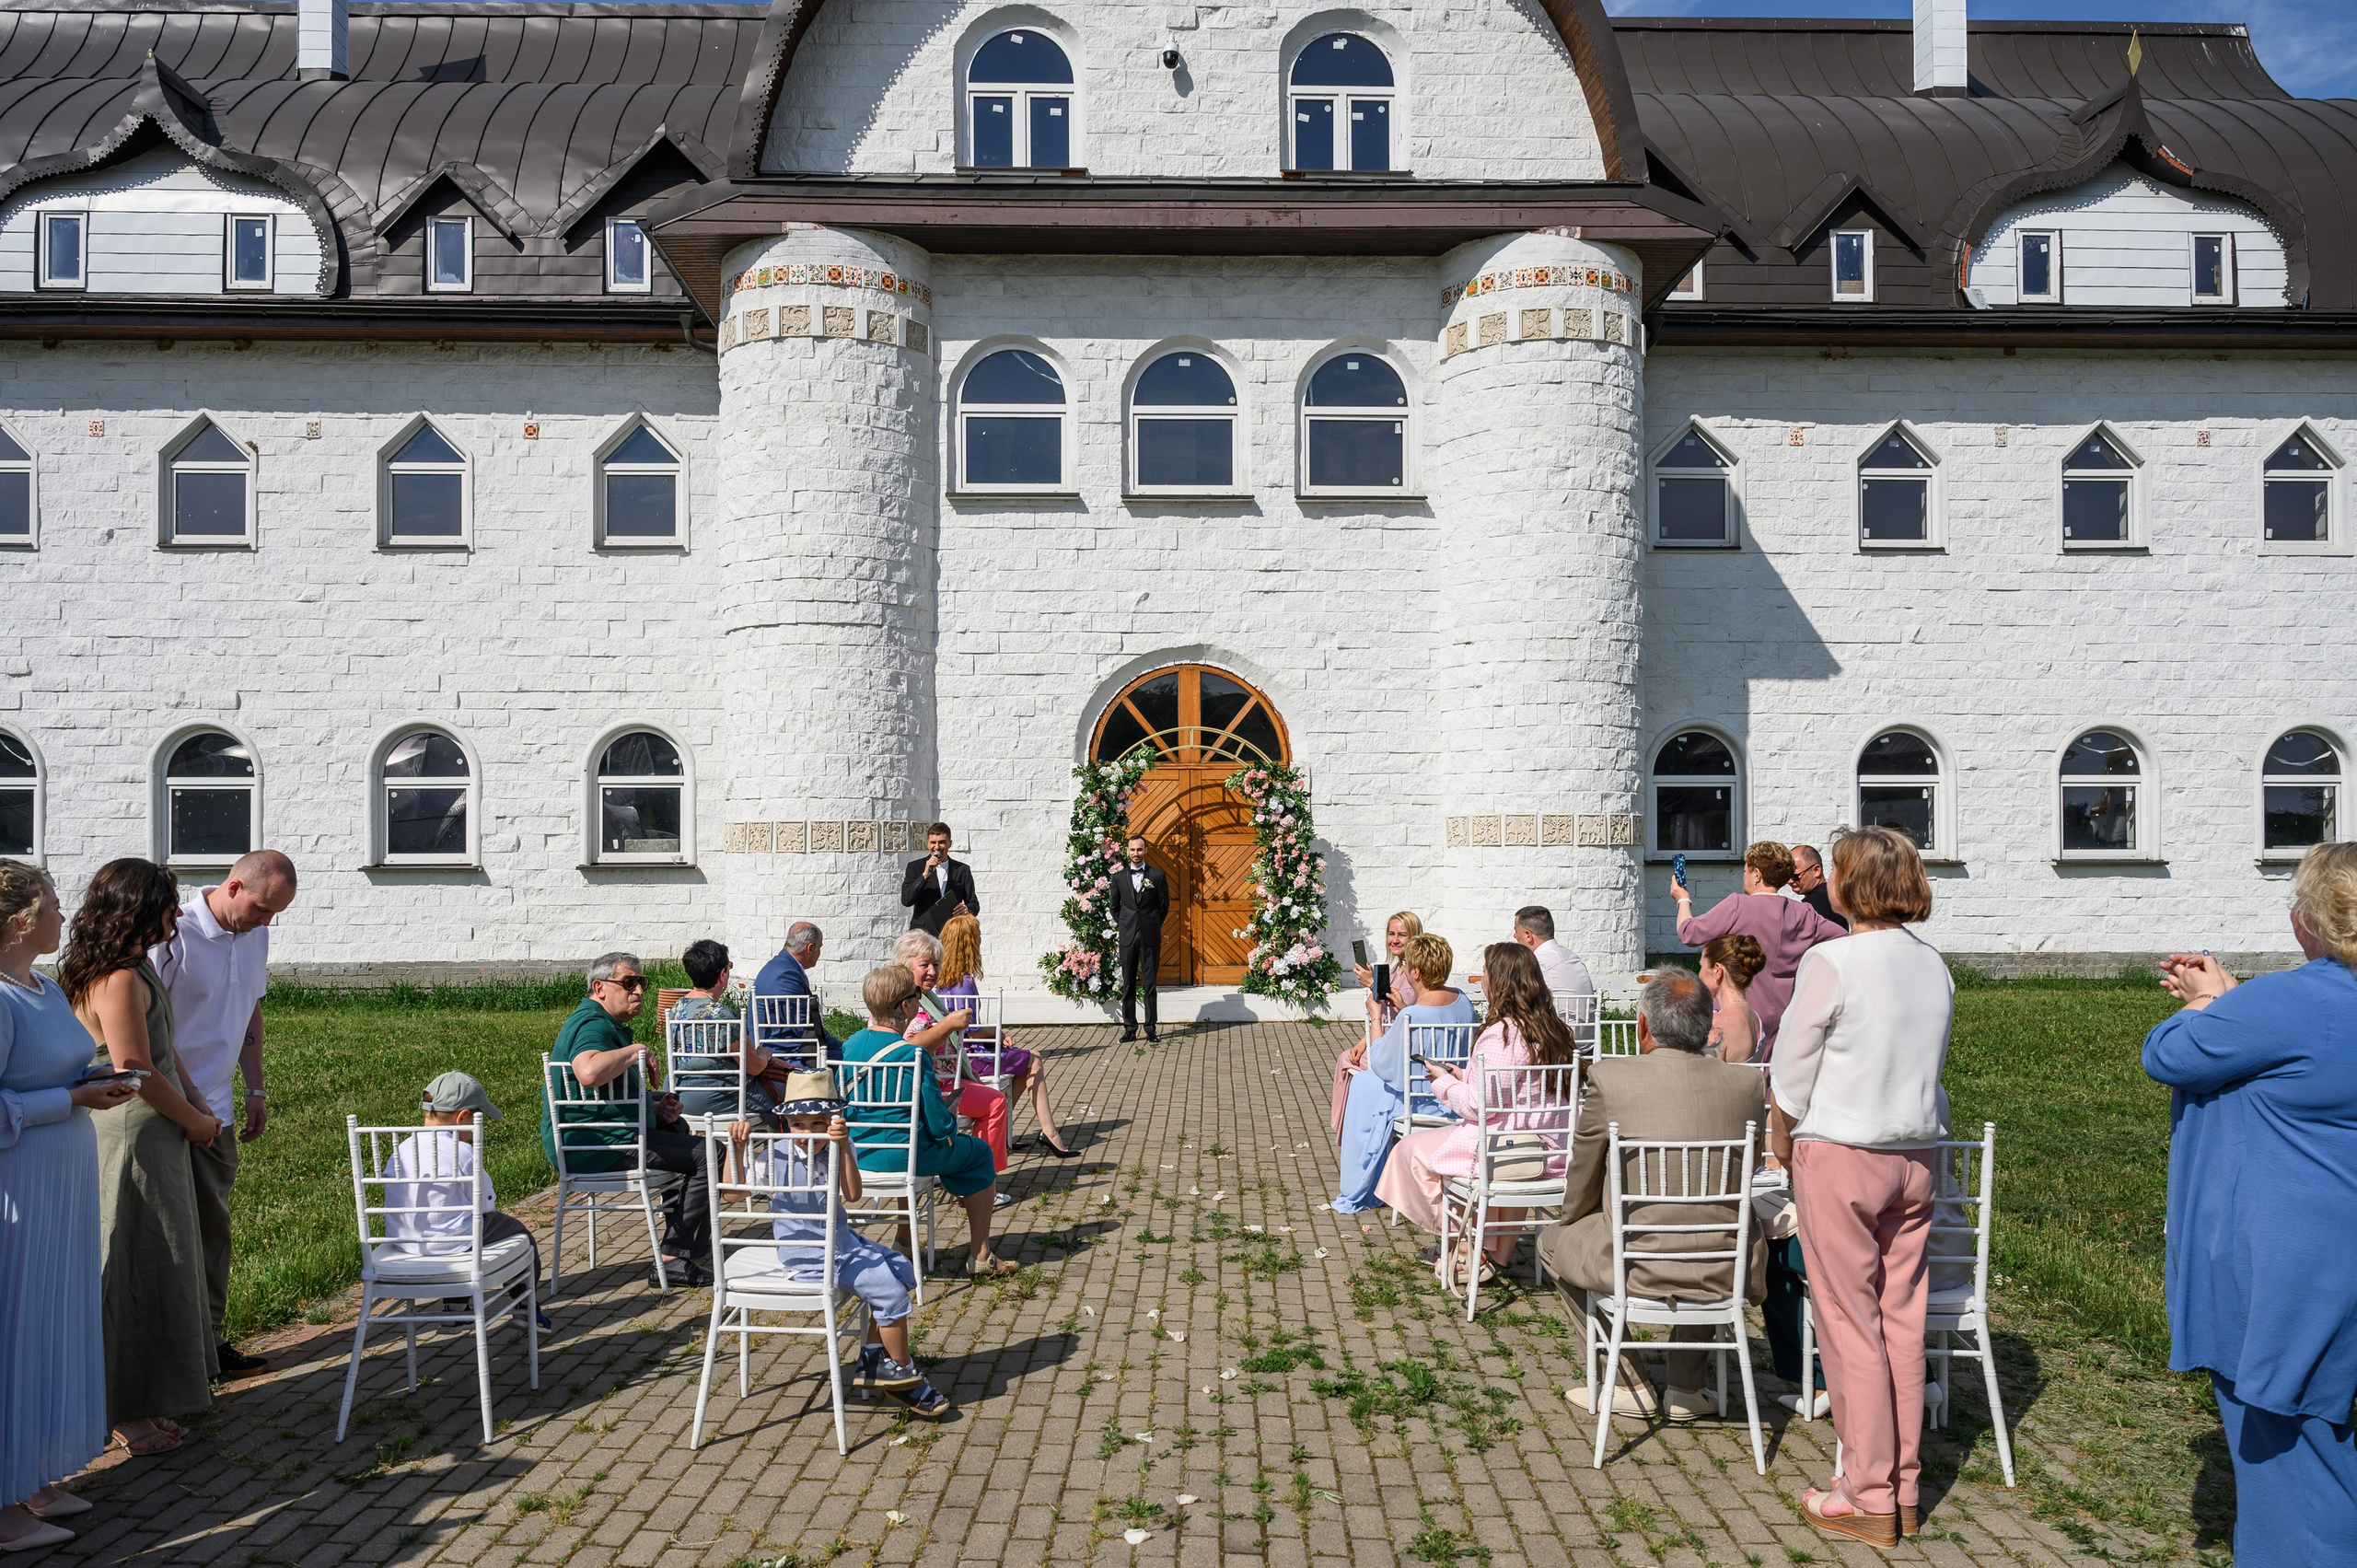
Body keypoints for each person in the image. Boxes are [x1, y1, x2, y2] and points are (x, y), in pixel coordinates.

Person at [2143, 842, 2357, 1568]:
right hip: (2335, 1248)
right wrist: (2236, 1003)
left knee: (2286, 1451)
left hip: (2279, 1260)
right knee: (2321, 1435)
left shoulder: (2298, 996)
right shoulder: (2307, 1006)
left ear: (2314, 920)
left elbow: (2169, 1053)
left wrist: (2204, 1002)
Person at [1770, 826, 1954, 1549]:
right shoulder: (1933, 964)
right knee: (1902, 1323)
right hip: (1917, 1151)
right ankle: (1902, 1487)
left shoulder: (1832, 959)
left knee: (1849, 1327)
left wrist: (1781, 1141)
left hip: (1843, 1148)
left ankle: (1865, 1490)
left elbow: (1791, 1069)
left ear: (1847, 885)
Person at [1538, 969, 1769, 1424]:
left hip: (1634, 1258)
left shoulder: (1610, 1078)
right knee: (1711, 1233)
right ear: (1709, 1028)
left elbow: (1584, 1172)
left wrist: (1571, 1223)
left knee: (1550, 1242)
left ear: (1642, 1026)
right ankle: (1685, 1387)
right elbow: (1750, 1168)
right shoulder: (1747, 1084)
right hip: (1726, 1259)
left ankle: (1628, 1382)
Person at [0, 863, 142, 1552]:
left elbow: (51, 1067)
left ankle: (36, 1475)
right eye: (54, 906)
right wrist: (72, 1100)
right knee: (18, 1334)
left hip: (62, 1184)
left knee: (56, 1323)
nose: (66, 916)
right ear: (22, 920)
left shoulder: (45, 987)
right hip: (19, 1192)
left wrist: (92, 1080)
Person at [59, 859, 219, 1457]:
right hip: (131, 1136)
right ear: (137, 907)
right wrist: (195, 1120)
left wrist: (200, 1104)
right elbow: (136, 1068)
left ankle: (149, 1397)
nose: (177, 915)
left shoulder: (134, 970)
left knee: (160, 1261)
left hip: (157, 1131)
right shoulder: (118, 977)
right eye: (168, 904)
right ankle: (126, 1409)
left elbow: (165, 1050)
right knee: (133, 1262)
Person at [148, 848, 297, 1379]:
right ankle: (169, 1355)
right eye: (261, 908)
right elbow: (151, 1030)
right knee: (165, 1234)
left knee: (213, 1230)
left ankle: (209, 1347)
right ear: (233, 887)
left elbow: (249, 1005)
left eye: (275, 914)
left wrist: (254, 1087)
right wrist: (186, 1099)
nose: (266, 921)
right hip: (163, 1107)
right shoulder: (172, 935)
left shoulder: (254, 933)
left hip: (221, 1109)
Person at [724, 1072, 952, 1419]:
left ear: (835, 1122)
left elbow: (854, 1194)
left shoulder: (837, 1148)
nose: (808, 1133)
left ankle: (875, 1358)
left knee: (900, 1268)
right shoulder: (775, 1155)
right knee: (891, 1293)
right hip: (811, 1258)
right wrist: (737, 1148)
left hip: (842, 1245)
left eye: (818, 1122)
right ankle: (905, 1373)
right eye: (799, 1125)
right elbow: (731, 1193)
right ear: (785, 1124)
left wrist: (844, 1146)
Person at [1376, 942, 1576, 1283]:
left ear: (1499, 982)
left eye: (1484, 972)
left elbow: (1475, 1105)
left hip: (1501, 1146)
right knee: (1445, 1152)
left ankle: (1467, 1246)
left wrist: (1441, 1082)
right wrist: (1465, 1076)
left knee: (1408, 1153)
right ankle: (1495, 1254)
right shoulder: (1554, 1029)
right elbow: (1514, 1090)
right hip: (1547, 1147)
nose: (1481, 978)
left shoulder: (1502, 1034)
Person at [542, 952, 710, 1288]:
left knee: (677, 1128)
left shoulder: (602, 1022)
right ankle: (675, 1259)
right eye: (628, 983)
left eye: (642, 983)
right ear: (599, 987)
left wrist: (653, 1105)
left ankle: (680, 1246)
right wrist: (636, 1051)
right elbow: (588, 1072)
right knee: (709, 1154)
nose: (639, 991)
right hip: (597, 1145)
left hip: (602, 1137)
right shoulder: (593, 1024)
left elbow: (602, 1094)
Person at [837, 964, 1016, 1276]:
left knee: (916, 1146)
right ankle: (981, 1254)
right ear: (905, 1006)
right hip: (907, 1156)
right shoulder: (912, 1055)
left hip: (860, 1157)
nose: (920, 1000)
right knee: (979, 1153)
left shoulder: (848, 1047)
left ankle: (904, 1242)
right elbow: (938, 1125)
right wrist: (950, 1120)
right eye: (916, 995)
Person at [387, 1072, 553, 1331]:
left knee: (462, 1229)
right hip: (452, 1245)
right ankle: (526, 1306)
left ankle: (456, 1309)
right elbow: (485, 1204)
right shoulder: (462, 1152)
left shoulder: (402, 1149)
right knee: (519, 1236)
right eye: (479, 1118)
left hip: (405, 1244)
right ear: (462, 1117)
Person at [1333, 934, 1478, 1214]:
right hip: (1454, 1091)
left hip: (1420, 1098)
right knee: (1365, 1084)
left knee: (1363, 1083)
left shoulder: (1413, 1016)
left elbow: (1381, 1062)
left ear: (1416, 972)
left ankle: (1358, 1181)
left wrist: (1376, 1015)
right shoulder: (1463, 1000)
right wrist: (1404, 1010)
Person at [1672, 840, 1846, 1060]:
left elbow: (1689, 933)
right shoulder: (1804, 912)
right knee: (1773, 1079)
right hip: (1787, 1010)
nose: (1744, 876)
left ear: (1757, 874)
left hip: (1741, 1010)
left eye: (1745, 870)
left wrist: (1682, 899)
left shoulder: (1738, 905)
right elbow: (1844, 938)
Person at [935, 912, 1076, 1157]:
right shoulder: (964, 982)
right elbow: (971, 1031)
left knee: (1026, 1063)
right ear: (969, 943)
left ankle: (1004, 1131)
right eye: (977, 937)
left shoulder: (942, 981)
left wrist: (996, 1038)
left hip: (957, 1054)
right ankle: (1048, 1133)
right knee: (1033, 1059)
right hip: (970, 1058)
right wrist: (998, 1034)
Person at [894, 930, 1011, 1181]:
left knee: (996, 1096)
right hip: (932, 1090)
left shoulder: (920, 997)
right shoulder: (906, 1002)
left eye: (936, 965)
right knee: (996, 1103)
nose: (932, 972)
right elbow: (905, 1050)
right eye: (924, 965)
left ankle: (968, 1171)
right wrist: (948, 1024)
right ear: (905, 965)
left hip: (936, 1083)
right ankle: (980, 1180)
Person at [670, 938, 787, 1124]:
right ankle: (786, 1149)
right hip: (720, 1097)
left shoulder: (677, 1008)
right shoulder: (724, 1016)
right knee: (794, 1091)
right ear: (722, 974)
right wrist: (764, 1054)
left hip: (680, 1096)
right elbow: (754, 1067)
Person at [1331, 911, 1422, 1140]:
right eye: (1391, 934)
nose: (1395, 940)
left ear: (1415, 938)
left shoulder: (1415, 971)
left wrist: (1374, 984)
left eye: (1402, 935)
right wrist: (1362, 1044)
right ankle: (1348, 1127)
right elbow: (1381, 1016)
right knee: (1347, 1057)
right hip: (1384, 1038)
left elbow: (1400, 1009)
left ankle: (1352, 1129)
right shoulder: (1393, 969)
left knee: (1347, 1063)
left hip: (1397, 1046)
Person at [751, 922, 838, 1067]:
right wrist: (844, 1047)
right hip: (785, 1054)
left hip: (784, 1048)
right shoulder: (785, 976)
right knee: (852, 1064)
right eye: (820, 947)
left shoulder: (781, 966)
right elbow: (806, 1029)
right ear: (810, 948)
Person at [1109, 834, 1169, 1043]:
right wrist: (1125, 924)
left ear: (1146, 851)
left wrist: (1151, 924)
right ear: (1127, 851)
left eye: (1140, 849)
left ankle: (1151, 1028)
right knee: (1128, 984)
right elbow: (1114, 907)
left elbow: (1164, 907)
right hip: (1127, 937)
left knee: (1150, 982)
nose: (1136, 853)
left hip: (1150, 936)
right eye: (1133, 850)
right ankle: (1130, 1028)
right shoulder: (1118, 878)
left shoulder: (1157, 876)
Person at [900, 822, 980, 938]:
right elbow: (906, 900)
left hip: (953, 934)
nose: (937, 847)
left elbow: (974, 904)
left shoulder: (962, 870)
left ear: (950, 844)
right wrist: (925, 875)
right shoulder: (915, 867)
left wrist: (967, 909)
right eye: (933, 842)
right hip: (923, 934)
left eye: (941, 842)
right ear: (928, 843)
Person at [1699, 934, 1766, 1063]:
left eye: (1701, 966)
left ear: (1718, 971)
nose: (1699, 974)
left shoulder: (1716, 1026)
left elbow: (1704, 1078)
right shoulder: (1755, 1019)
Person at [1791, 845, 1849, 932]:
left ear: (1816, 870)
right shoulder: (1829, 895)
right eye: (1787, 875)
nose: (1789, 881)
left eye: (1795, 876)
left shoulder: (1815, 904)